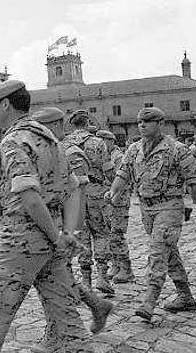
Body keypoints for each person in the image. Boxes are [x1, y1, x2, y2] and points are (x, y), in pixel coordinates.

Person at [0, 82, 88, 352]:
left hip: (20, 241)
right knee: (65, 316)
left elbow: (29, 196)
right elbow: (73, 188)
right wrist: (67, 233)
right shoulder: (50, 138)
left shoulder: (14, 141)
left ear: (5, 105)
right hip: (51, 241)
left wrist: (57, 236)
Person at [106, 107, 196, 321]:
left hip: (169, 206)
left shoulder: (177, 149)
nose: (142, 125)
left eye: (148, 121)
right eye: (140, 122)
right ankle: (186, 297)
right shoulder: (134, 149)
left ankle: (150, 300)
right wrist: (113, 191)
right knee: (169, 253)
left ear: (161, 123)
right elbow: (123, 173)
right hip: (147, 209)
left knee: (157, 252)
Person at [33, 108, 113, 336]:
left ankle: (67, 330)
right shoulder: (45, 150)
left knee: (52, 272)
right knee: (54, 273)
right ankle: (93, 305)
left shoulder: (69, 151)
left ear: (55, 126)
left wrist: (72, 229)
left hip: (60, 222)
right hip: (47, 221)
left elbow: (78, 190)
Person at [63, 110, 114, 295]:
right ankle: (102, 275)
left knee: (82, 235)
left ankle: (85, 280)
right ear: (87, 123)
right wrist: (112, 185)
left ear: (72, 124)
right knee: (100, 233)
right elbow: (108, 168)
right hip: (95, 191)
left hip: (74, 194)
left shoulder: (64, 144)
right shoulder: (97, 142)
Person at [96, 130, 134, 283]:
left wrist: (114, 199)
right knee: (109, 234)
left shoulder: (118, 157)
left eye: (102, 140)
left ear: (110, 140)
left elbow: (123, 181)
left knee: (117, 234)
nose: (100, 143)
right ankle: (116, 265)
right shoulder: (105, 155)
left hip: (118, 200)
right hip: (108, 199)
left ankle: (126, 268)